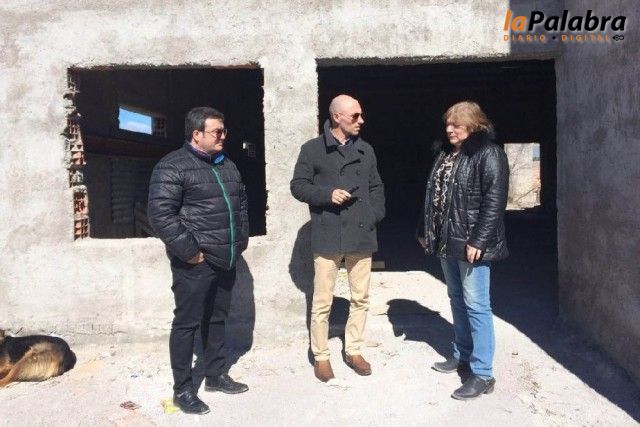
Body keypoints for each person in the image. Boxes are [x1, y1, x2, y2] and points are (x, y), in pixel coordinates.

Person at [148, 106, 249, 415]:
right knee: (187, 324)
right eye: (217, 132)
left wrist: (240, 242)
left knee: (217, 318)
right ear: (196, 134)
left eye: (223, 131)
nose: (223, 136)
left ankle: (215, 375)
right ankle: (182, 390)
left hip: (226, 258)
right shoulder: (172, 166)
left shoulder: (227, 165)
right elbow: (160, 215)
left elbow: (241, 205)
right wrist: (190, 251)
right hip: (195, 262)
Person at [291, 94, 385, 382]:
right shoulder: (312, 149)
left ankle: (353, 350)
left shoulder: (366, 150)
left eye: (361, 115)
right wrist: (326, 195)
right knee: (322, 300)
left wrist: (373, 215)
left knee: (360, 298)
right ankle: (321, 355)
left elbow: (376, 187)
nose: (361, 120)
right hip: (328, 231)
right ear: (337, 117)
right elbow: (298, 186)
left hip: (361, 232)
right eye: (355, 116)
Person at [418, 101, 509, 400]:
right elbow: (434, 195)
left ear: (474, 125)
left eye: (456, 124)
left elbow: (494, 201)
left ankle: (483, 374)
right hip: (447, 242)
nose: (449, 129)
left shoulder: (488, 153)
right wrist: (425, 230)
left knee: (477, 305)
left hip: (471, 243)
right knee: (456, 298)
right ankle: (462, 354)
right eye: (447, 124)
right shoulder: (445, 154)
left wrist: (479, 241)